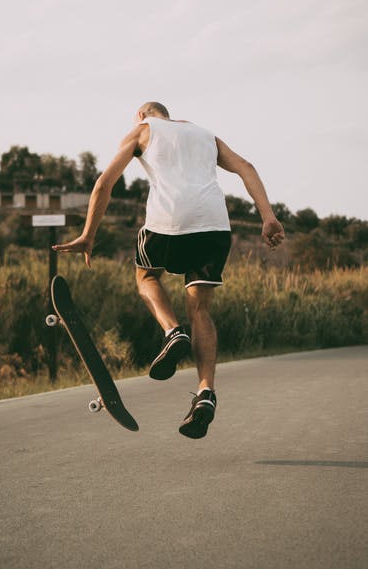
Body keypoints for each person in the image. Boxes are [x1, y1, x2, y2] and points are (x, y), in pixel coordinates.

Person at [52, 101, 285, 439]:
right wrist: (267, 216)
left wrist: (89, 235)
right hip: (213, 225)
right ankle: (206, 392)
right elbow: (246, 167)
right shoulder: (205, 134)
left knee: (146, 276)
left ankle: (173, 332)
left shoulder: (143, 130)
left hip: (169, 222)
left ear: (142, 115)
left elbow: (105, 183)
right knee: (201, 309)